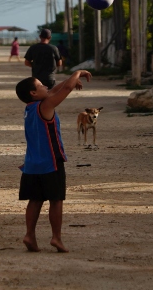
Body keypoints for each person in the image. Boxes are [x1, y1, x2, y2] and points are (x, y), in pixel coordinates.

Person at [14, 69, 92, 253]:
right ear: (33, 93)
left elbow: (57, 89)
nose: (46, 86)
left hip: (32, 164)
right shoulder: (45, 106)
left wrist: (70, 80)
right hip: (51, 161)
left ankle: (30, 235)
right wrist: (78, 73)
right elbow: (64, 91)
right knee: (56, 200)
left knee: (35, 200)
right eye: (41, 85)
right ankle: (56, 238)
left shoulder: (30, 108)